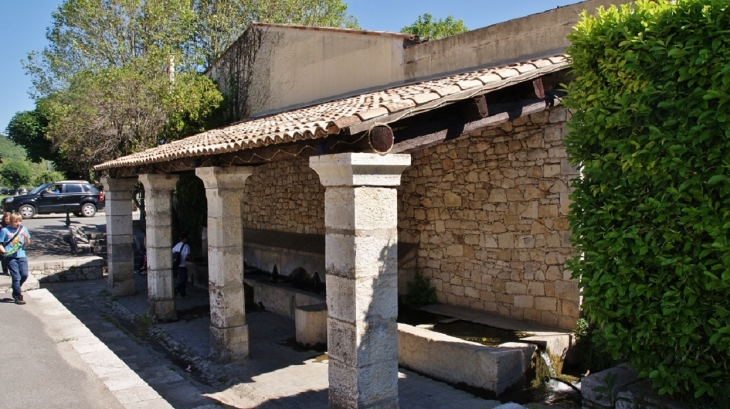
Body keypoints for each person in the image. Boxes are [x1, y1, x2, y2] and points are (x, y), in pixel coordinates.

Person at [0, 213, 31, 305]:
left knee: (24, 274)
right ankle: (18, 296)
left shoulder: (23, 229)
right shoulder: (5, 230)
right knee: (16, 277)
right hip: (10, 257)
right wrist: (3, 251)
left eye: (20, 221)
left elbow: (28, 243)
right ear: (10, 221)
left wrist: (26, 237)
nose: (18, 223)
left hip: (21, 255)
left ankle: (16, 287)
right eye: (15, 221)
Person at [173, 233, 191, 298]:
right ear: (184, 238)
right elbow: (187, 256)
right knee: (184, 279)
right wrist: (192, 259)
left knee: (181, 278)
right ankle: (176, 289)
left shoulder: (177, 245)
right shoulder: (186, 246)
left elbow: (173, 252)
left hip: (177, 264)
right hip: (183, 264)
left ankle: (183, 293)